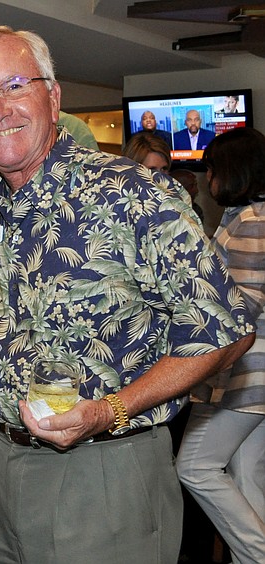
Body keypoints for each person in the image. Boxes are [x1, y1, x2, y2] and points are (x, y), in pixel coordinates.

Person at [0, 25, 255, 563]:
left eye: (14, 86)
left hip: (105, 468)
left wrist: (109, 410)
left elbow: (226, 330)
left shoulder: (132, 192)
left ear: (53, 96)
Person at [177, 127, 265, 564]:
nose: (207, 180)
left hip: (245, 375)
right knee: (247, 477)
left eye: (209, 169)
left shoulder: (251, 223)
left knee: (193, 465)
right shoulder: (247, 217)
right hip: (254, 379)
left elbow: (241, 308)